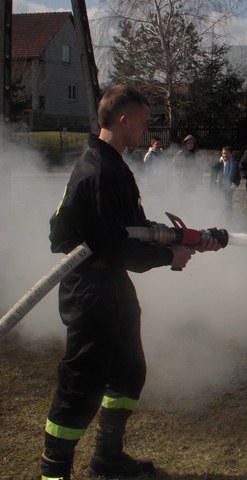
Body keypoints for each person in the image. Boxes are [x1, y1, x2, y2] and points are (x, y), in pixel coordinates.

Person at [40, 85, 221, 480]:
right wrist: (168, 256)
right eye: (141, 120)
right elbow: (112, 245)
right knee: (81, 384)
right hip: (91, 288)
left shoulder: (111, 163)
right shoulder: (99, 170)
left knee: (128, 371)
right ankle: (53, 473)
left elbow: (132, 230)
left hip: (111, 286)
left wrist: (186, 238)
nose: (144, 127)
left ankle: (106, 456)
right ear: (123, 120)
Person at [211, 145, 241, 220]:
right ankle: (218, 219)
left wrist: (235, 184)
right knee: (218, 203)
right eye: (223, 153)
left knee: (228, 205)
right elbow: (213, 175)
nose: (225, 155)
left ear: (231, 154)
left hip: (229, 187)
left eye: (227, 153)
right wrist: (212, 185)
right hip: (219, 186)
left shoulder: (235, 164)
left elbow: (238, 176)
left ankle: (228, 220)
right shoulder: (218, 163)